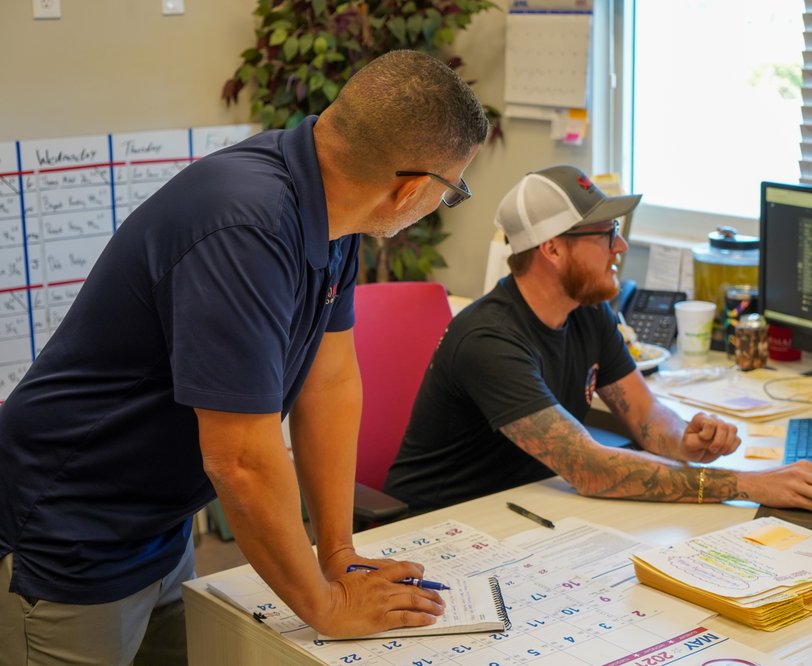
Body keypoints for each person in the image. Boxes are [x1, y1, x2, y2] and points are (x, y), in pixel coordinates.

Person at [0, 50, 489, 664]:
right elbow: (241, 459)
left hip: (161, 515)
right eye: (454, 191)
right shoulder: (246, 225)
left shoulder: (331, 210)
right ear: (412, 189)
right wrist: (325, 606)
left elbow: (329, 383)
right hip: (73, 524)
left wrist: (338, 552)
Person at [384, 165, 812, 516]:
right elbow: (591, 468)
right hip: (442, 528)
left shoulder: (588, 310)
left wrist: (684, 441)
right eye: (607, 234)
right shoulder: (488, 340)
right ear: (551, 248)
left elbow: (646, 414)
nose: (621, 247)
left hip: (528, 514)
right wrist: (750, 484)